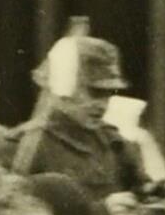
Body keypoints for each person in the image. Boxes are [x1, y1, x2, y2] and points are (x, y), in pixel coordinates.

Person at [9, 31, 146, 202]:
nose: (102, 104)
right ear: (65, 89)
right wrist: (103, 211)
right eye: (95, 92)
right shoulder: (27, 145)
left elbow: (142, 193)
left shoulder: (114, 143)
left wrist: (160, 195)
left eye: (108, 94)